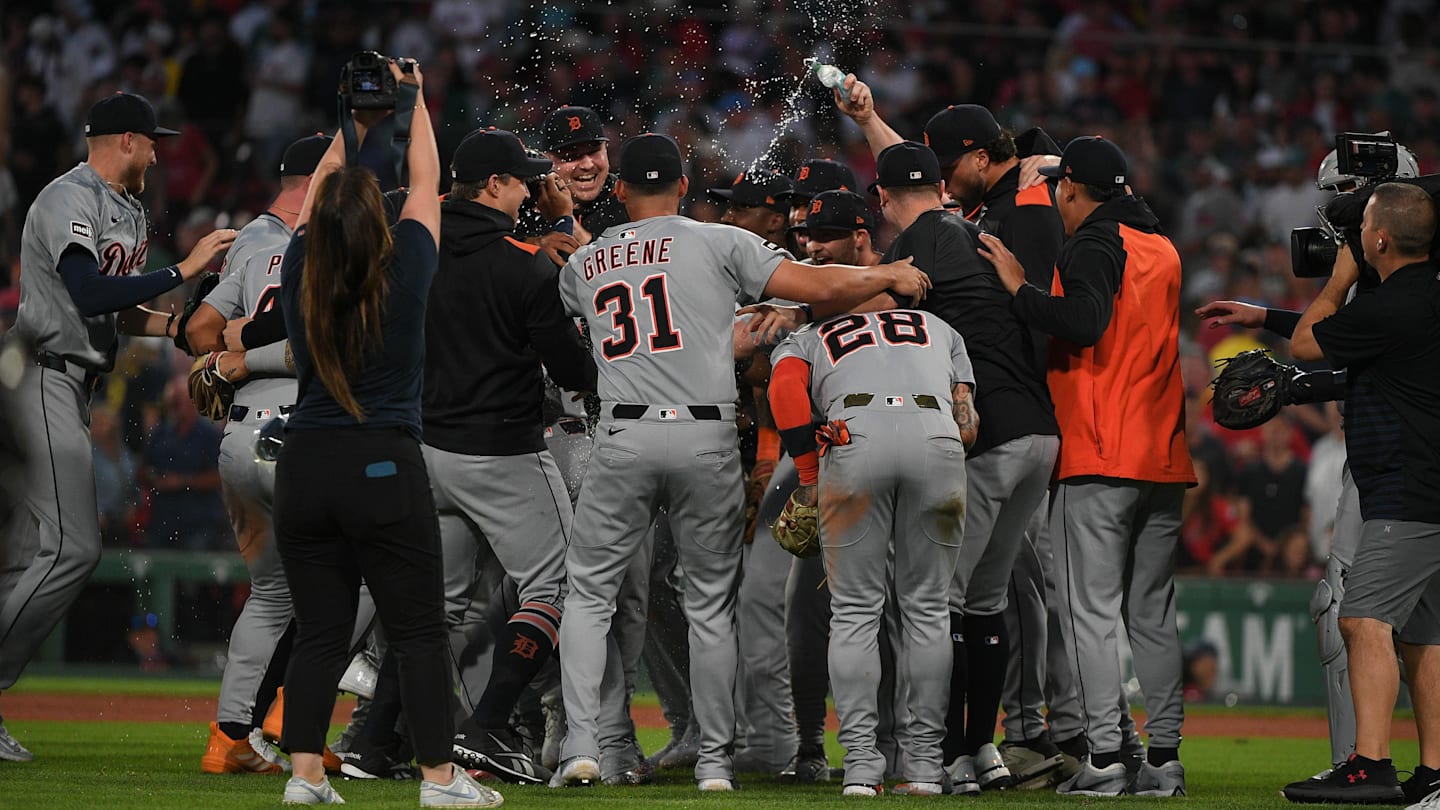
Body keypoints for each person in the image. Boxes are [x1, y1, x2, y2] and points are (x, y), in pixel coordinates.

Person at [552, 132, 930, 791]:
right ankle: (716, 764)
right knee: (708, 606)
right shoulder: (715, 240)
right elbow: (811, 283)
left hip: (621, 433)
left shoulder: (582, 265)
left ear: (618, 190)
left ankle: (583, 748)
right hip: (704, 434)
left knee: (588, 597)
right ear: (684, 188)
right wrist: (887, 275)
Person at [269, 59, 498, 807]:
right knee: (420, 631)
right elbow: (428, 184)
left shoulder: (302, 267)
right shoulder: (405, 274)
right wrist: (413, 101)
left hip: (304, 465)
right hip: (381, 463)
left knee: (320, 633)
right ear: (379, 221)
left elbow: (316, 200)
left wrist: (354, 119)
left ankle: (304, 775)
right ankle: (438, 778)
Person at [830, 78, 1064, 793]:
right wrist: (871, 121)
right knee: (983, 603)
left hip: (988, 433)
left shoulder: (924, 242)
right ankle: (980, 750)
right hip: (1040, 436)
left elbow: (877, 297)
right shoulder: (968, 228)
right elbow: (910, 172)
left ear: (880, 198)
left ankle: (948, 755)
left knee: (938, 606)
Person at [0, 91, 235, 761]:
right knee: (73, 549)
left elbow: (115, 313)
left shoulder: (126, 212)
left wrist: (177, 329)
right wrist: (184, 269)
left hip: (73, 382)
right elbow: (89, 293)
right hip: (40, 374)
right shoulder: (65, 199)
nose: (161, 151)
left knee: (37, 554)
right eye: (152, 140)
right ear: (125, 140)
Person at [981, 135, 1195, 797]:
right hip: (1162, 458)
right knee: (1152, 615)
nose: (1058, 203)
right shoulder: (1162, 245)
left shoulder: (1096, 243)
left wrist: (1019, 289)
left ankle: (1104, 758)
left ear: (1073, 188)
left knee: (1087, 613)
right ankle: (1162, 759)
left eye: (1060, 192)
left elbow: (1085, 319)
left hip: (1102, 453)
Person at [424, 128, 596, 785]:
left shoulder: (417, 248)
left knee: (437, 611)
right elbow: (572, 368)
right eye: (521, 179)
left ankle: (399, 742)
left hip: (426, 447)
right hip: (500, 451)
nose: (530, 188)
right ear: (493, 186)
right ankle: (489, 723)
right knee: (558, 583)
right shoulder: (521, 261)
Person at [768, 306, 977, 797]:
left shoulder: (811, 331)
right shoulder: (939, 326)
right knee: (928, 610)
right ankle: (925, 768)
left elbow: (783, 392)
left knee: (855, 612)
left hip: (854, 434)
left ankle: (862, 766)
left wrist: (809, 478)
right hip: (938, 434)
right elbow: (968, 422)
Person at [1281, 182, 1440, 806]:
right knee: (1423, 635)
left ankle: (1370, 762)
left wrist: (1339, 277)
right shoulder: (1426, 294)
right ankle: (1433, 774)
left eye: (1364, 225)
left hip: (1407, 487)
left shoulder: (1389, 304)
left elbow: (1304, 342)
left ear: (1378, 240)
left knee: (1362, 617)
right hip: (1426, 484)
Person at [184, 133, 331, 775]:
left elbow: (197, 332)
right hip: (307, 430)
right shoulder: (328, 243)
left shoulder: (249, 238)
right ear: (317, 181)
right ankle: (289, 725)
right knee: (355, 584)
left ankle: (229, 739)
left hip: (243, 435)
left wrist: (228, 361)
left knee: (272, 593)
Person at [710, 170, 794, 246]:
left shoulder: (801, 263)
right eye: (729, 208)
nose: (726, 218)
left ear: (775, 221)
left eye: (739, 210)